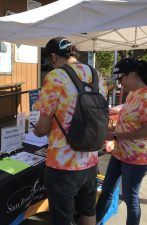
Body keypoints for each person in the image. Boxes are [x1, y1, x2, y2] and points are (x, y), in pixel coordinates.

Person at [33, 36, 108, 225]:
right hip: (91, 160)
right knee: (88, 211)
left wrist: (37, 131)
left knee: (62, 218)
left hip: (62, 164)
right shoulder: (96, 74)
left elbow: (42, 127)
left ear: (52, 57)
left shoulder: (55, 76)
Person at [96, 58, 147, 225]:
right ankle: (93, 222)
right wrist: (107, 132)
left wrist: (115, 136)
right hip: (120, 153)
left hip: (136, 158)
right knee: (107, 191)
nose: (120, 83)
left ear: (133, 74)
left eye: (121, 78)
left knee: (130, 199)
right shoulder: (133, 94)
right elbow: (126, 124)